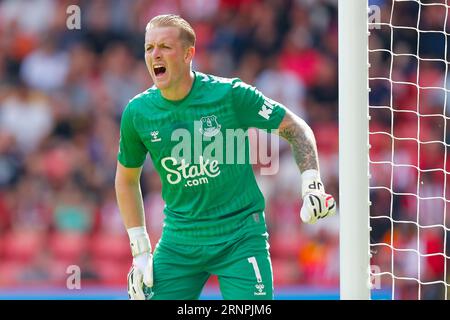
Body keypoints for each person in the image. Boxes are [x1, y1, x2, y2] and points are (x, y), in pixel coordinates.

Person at [115, 14, 336, 300]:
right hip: (179, 240)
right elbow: (126, 180)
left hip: (240, 236)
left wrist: (311, 183)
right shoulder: (138, 113)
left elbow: (296, 128)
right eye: (149, 48)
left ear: (188, 54)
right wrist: (140, 249)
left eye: (165, 47)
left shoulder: (230, 95)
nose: (154, 54)